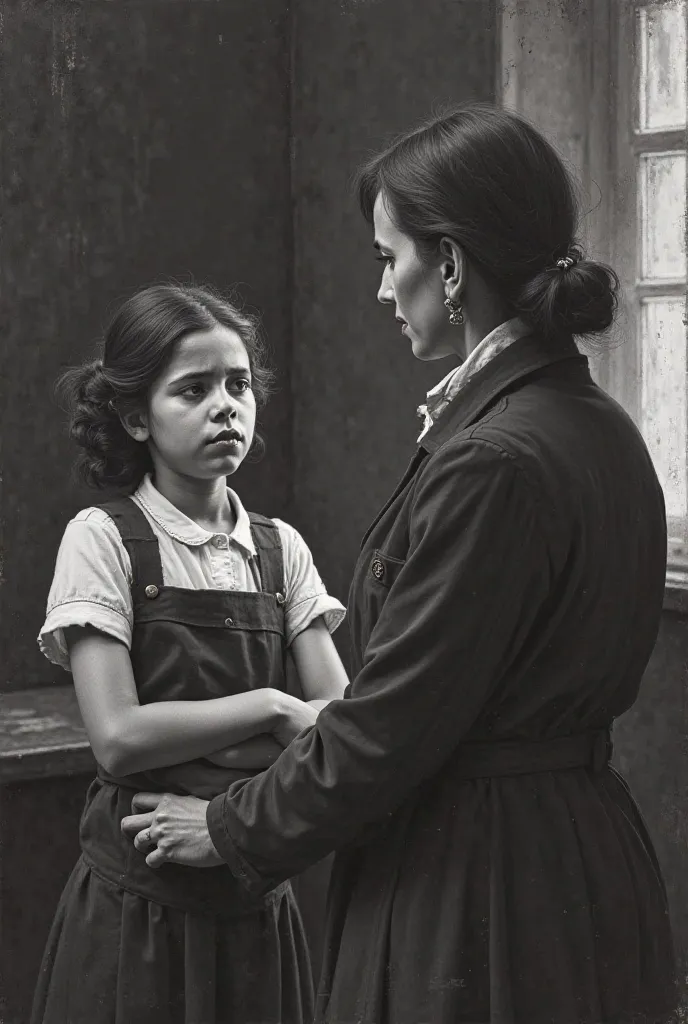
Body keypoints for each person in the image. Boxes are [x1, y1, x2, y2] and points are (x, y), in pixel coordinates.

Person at [122, 106, 678, 1023]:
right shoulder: (602, 427)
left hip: (483, 881)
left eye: (390, 258)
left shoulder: (494, 458)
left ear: (451, 266)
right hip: (583, 854)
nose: (383, 289)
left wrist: (228, 825)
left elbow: (394, 725)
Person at [32, 283, 349, 1024]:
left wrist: (211, 752)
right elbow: (119, 741)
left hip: (251, 898)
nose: (225, 406)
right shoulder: (102, 538)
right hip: (138, 911)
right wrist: (273, 711)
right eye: (194, 390)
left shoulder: (281, 549)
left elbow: (334, 728)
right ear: (138, 417)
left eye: (238, 384)